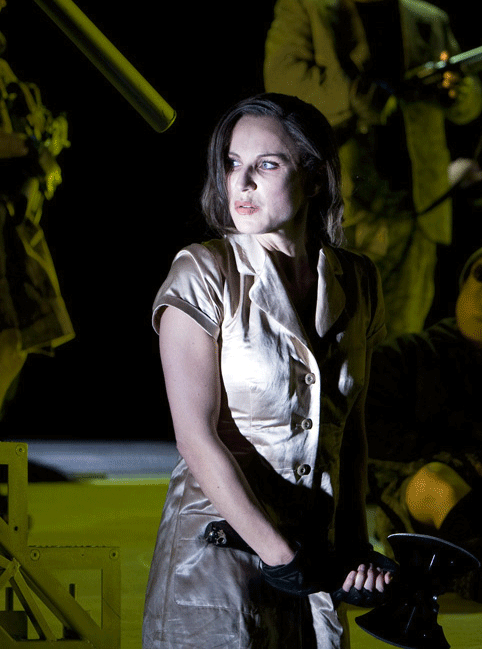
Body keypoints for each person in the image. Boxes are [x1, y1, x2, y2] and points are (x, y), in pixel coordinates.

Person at [143, 93, 394, 649]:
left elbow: (351, 431)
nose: (242, 182)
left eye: (267, 164)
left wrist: (354, 546)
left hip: (314, 560)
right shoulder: (202, 271)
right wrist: (280, 555)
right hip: (218, 558)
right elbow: (195, 439)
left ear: (315, 177)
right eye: (232, 163)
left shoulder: (359, 280)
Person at [264, 0, 482, 340]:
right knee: (340, 338)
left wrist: (460, 93)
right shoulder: (307, 8)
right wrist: (356, 95)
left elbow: (469, 101)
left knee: (402, 339)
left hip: (419, 211)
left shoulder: (427, 18)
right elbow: (282, 82)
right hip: (348, 212)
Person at [366, 247, 482, 599]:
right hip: (416, 502)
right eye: (480, 275)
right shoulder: (408, 356)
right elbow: (375, 435)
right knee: (437, 485)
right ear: (462, 286)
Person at [0, 0, 74, 443]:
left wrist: (42, 138)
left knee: (13, 343)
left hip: (9, 216)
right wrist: (27, 147)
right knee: (1, 339)